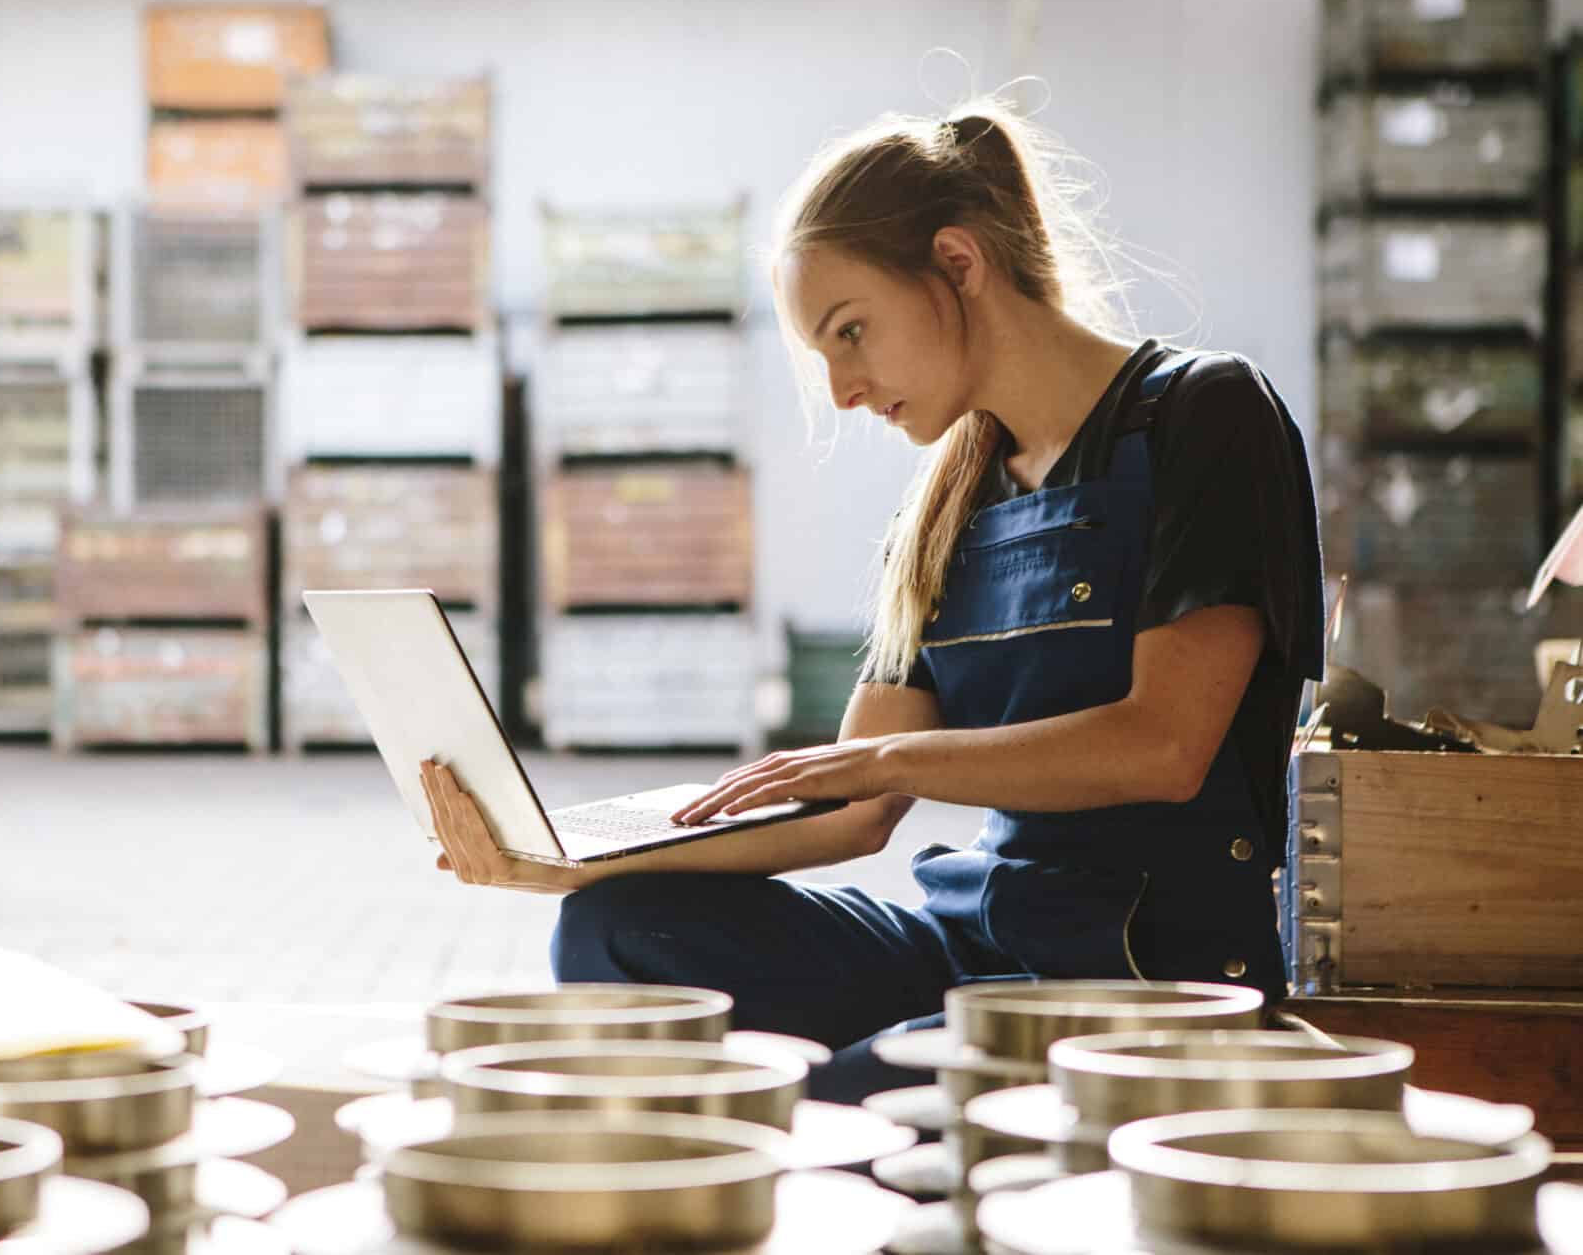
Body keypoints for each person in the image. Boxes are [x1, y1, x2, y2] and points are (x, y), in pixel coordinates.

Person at [417, 100, 1324, 1104]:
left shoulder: (1202, 413)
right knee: (615, 928)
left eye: (851, 331)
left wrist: (893, 755)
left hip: (1147, 975)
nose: (843, 387)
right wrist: (565, 860)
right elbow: (847, 811)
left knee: (832, 1108)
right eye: (822, 355)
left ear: (957, 261)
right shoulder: (945, 503)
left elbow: (1164, 744)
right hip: (982, 939)